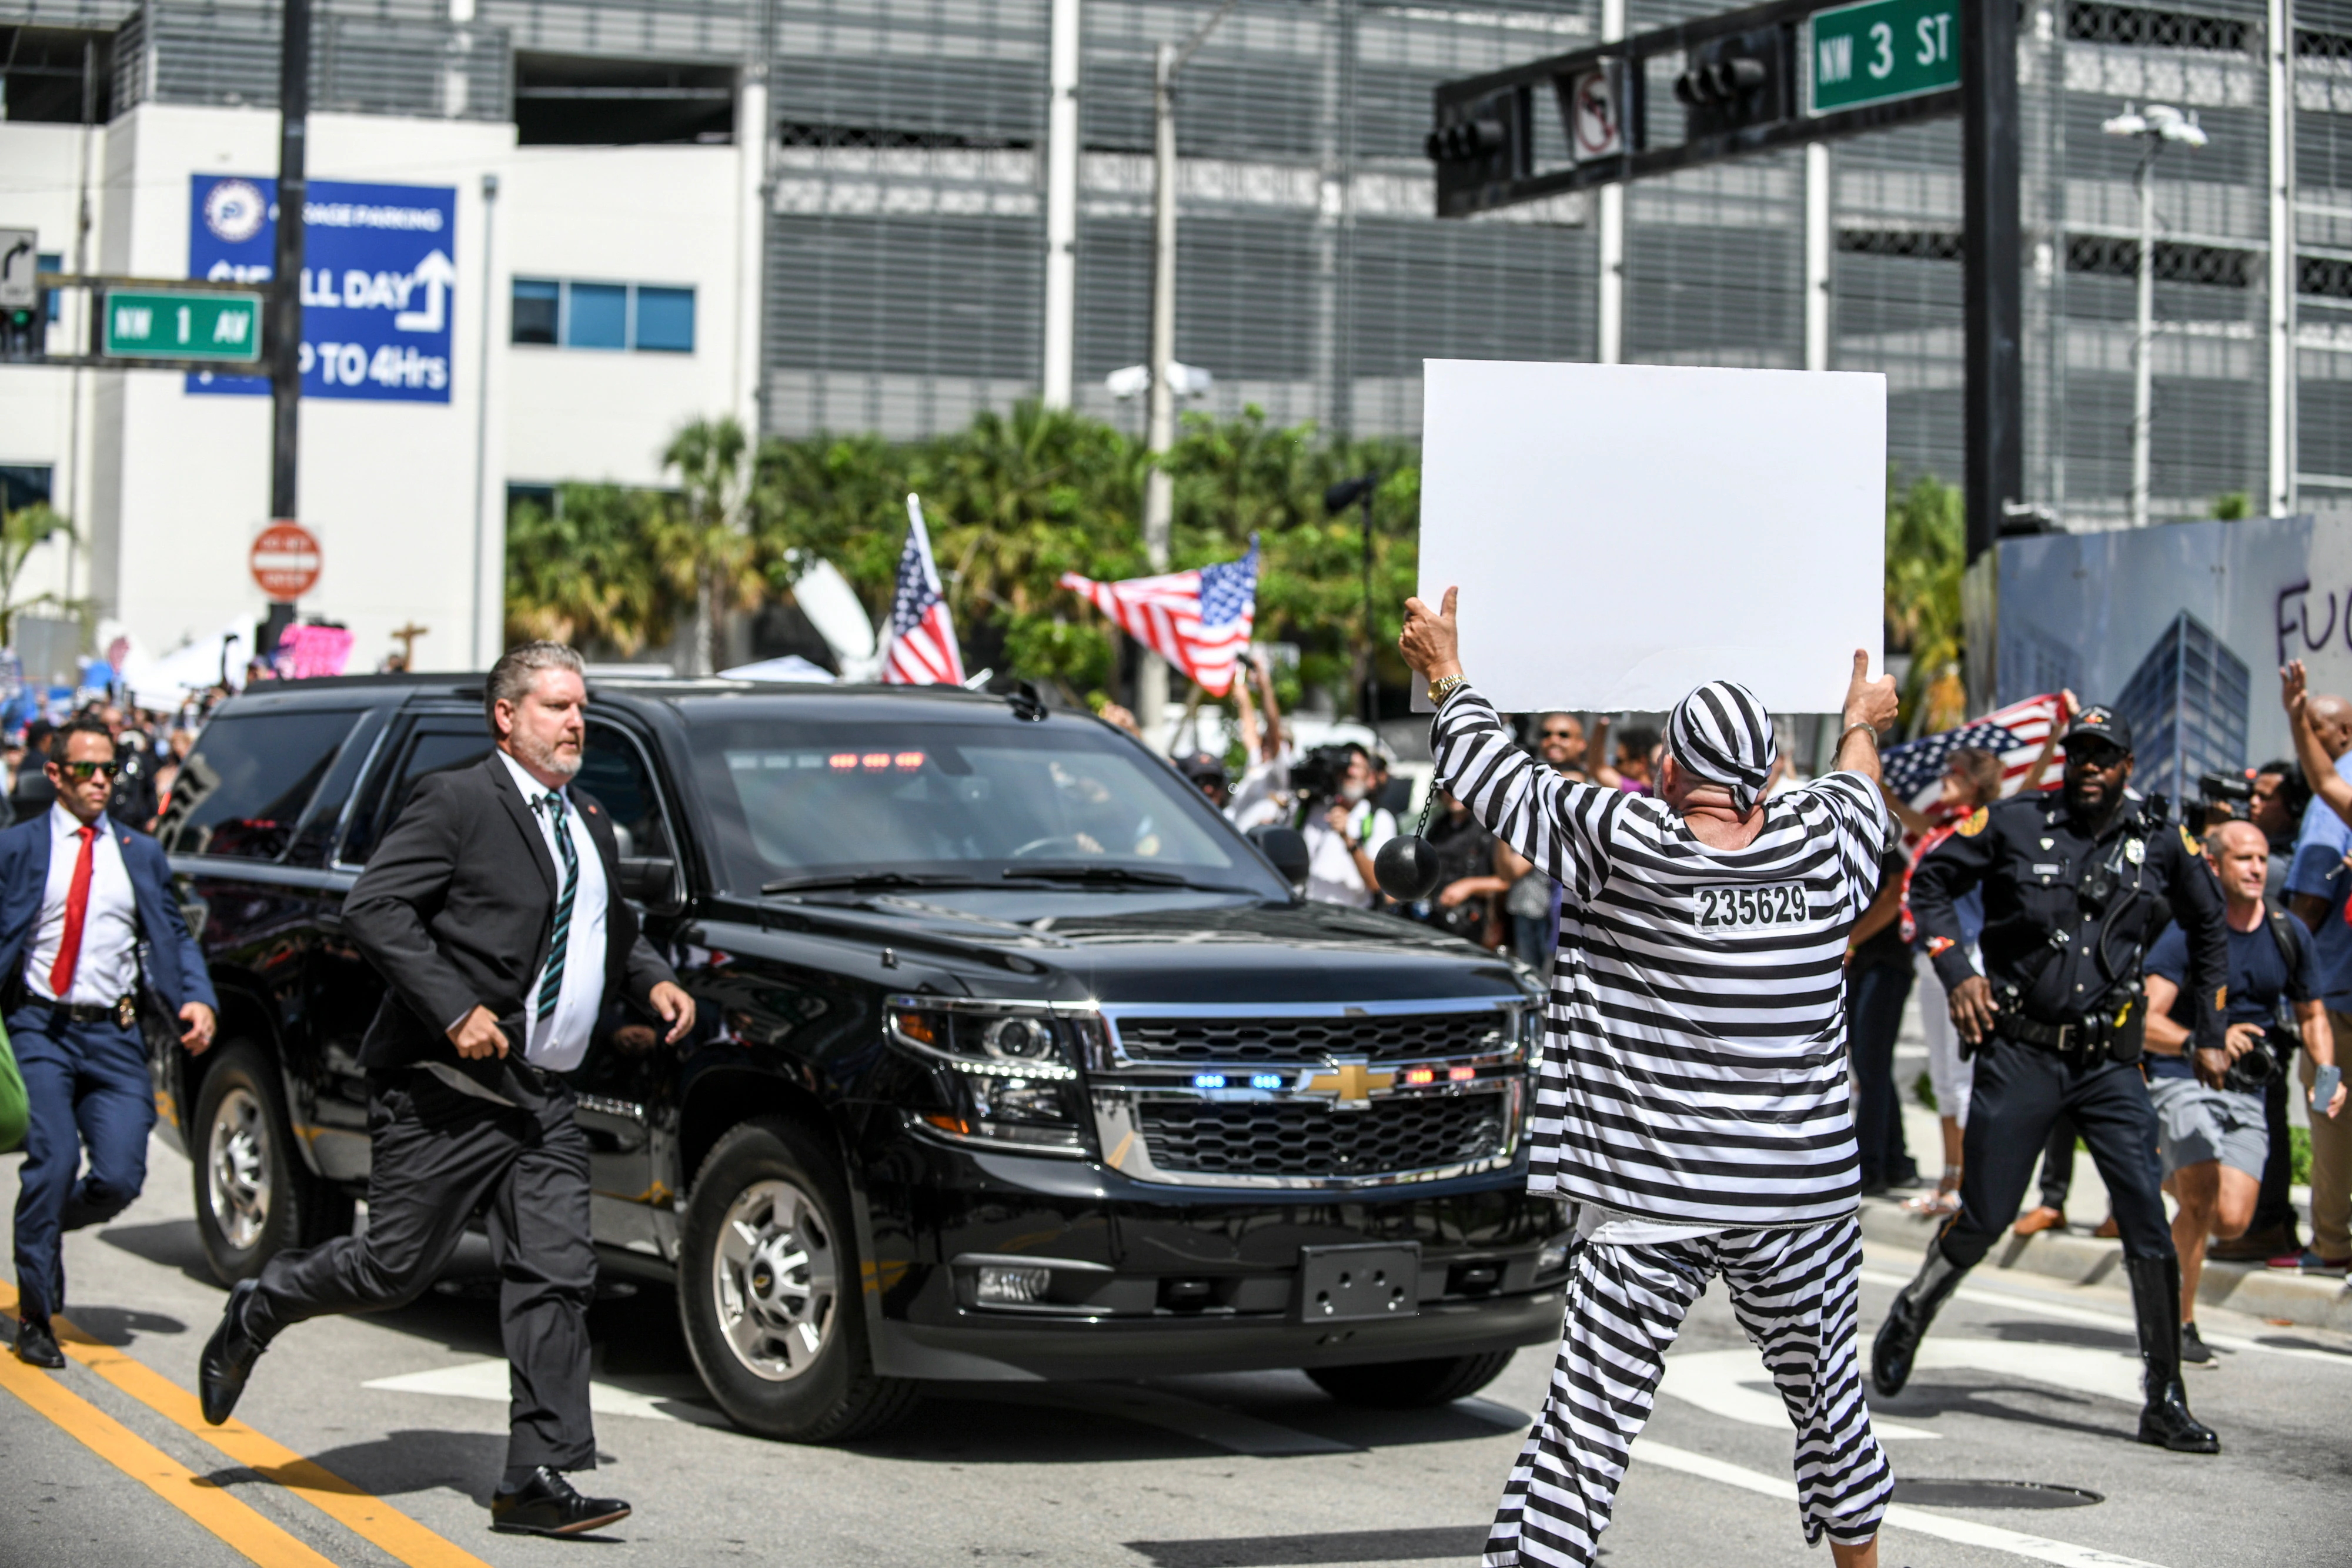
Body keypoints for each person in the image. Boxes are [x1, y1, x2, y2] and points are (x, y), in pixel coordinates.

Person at [1402, 586, 1902, 1568]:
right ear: (1760, 776)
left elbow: (1499, 777)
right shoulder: (1820, 843)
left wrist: (1448, 672)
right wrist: (1859, 720)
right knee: (1832, 1404)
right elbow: (1857, 783)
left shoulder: (1628, 842)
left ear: (1667, 770)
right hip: (1798, 1200)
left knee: (1585, 1435)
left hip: (1648, 1200)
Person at [196, 642, 697, 1537]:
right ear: (506, 715)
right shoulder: (460, 799)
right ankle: (260, 1302)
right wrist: (455, 1006)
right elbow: (375, 907)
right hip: (447, 1085)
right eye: (555, 706)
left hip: (542, 1093)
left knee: (555, 1274)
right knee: (393, 1266)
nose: (576, 720)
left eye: (581, 705)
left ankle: (536, 1475)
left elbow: (605, 922)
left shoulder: (589, 815)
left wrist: (651, 975)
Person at [1876, 704, 2226, 1453]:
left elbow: (2209, 925)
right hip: (2020, 1052)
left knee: (2143, 1213)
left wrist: (2214, 1031)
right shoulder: (2014, 822)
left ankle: (2163, 1395)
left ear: (2129, 766)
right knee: (1987, 1212)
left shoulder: (2161, 840)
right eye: (2080, 754)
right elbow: (1928, 882)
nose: (2090, 767)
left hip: (2107, 1064)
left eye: (2105, 756)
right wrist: (1954, 968)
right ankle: (1915, 1305)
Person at [5, 717, 218, 1369]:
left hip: (115, 1034)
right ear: (57, 775)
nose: (102, 780)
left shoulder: (139, 851)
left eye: (111, 770)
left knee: (122, 1174)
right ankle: (38, 1314)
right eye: (88, 770)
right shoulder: (17, 848)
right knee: (53, 1158)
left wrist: (197, 995)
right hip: (39, 1027)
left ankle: (40, 1227)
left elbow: (174, 934)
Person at [2141, 820, 2343, 1361]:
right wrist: (2205, 1039)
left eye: (2261, 859)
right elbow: (2143, 1019)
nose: (2256, 868)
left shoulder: (2287, 931)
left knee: (2230, 1219)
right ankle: (2178, 1322)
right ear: (2214, 865)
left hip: (2246, 1090)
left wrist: (2328, 1081)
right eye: (2242, 859)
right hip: (2182, 1079)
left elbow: (2314, 1015)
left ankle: (2155, 1185)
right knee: (2202, 1190)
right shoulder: (2190, 932)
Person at [1892, 747, 2007, 1217]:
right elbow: (1906, 816)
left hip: (1964, 955)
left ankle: (1970, 1182)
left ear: (1976, 782)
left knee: (1962, 1076)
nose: (1944, 777)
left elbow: (2023, 790)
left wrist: (2055, 735)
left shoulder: (1984, 827)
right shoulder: (1940, 829)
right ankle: (1950, 1176)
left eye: (1954, 772)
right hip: (1928, 956)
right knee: (1944, 1075)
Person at [2273, 662, 2352, 1275]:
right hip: (2334, 1009)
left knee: (2327, 1116)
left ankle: (2331, 1243)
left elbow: (2327, 783)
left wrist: (2297, 715)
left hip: (2334, 1010)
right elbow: (2325, 782)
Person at [1846, 837, 1917, 1195]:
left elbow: (1893, 896)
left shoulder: (1889, 836)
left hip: (1885, 962)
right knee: (1871, 1065)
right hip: (1861, 965)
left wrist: (1851, 941)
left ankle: (1869, 1166)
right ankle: (1896, 1160)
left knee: (1871, 1065)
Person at [1297, 744, 1395, 908]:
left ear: (1370, 778)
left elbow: (1382, 886)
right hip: (1309, 912)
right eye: (1344, 766)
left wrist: (1349, 839)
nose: (1350, 772)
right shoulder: (1314, 810)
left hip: (1351, 918)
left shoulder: (1379, 819)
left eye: (1356, 766)